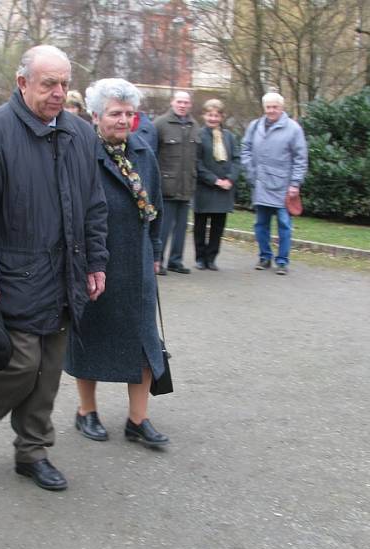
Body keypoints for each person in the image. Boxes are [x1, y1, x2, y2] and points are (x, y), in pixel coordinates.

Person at [0, 45, 109, 491]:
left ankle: (32, 451)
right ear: (22, 84)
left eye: (64, 83)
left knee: (49, 370)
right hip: (14, 273)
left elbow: (94, 206)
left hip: (66, 272)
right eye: (48, 84)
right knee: (21, 363)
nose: (59, 92)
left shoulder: (81, 134)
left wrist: (96, 261)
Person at [65, 77, 170, 448]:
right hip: (95, 264)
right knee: (89, 339)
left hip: (137, 265)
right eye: (114, 113)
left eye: (129, 113)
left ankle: (137, 420)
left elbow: (156, 209)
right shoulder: (81, 154)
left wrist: (155, 254)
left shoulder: (143, 152)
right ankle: (86, 411)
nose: (123, 120)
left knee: (144, 342)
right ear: (96, 116)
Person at [240, 91, 308, 275]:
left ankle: (282, 261)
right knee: (260, 225)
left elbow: (300, 158)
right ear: (264, 108)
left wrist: (295, 183)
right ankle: (264, 257)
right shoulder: (255, 126)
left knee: (284, 225)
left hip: (283, 187)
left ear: (281, 108)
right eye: (268, 107)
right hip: (260, 183)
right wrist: (250, 171)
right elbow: (245, 149)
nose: (271, 110)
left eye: (274, 107)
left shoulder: (293, 129)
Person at [154, 90, 199, 275]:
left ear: (190, 105)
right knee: (163, 228)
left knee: (181, 228)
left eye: (186, 102)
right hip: (166, 186)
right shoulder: (160, 124)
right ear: (172, 102)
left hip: (186, 185)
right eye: (179, 101)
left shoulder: (195, 125)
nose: (182, 105)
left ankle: (176, 261)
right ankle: (158, 261)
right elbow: (152, 154)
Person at [194, 98, 240, 271]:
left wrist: (230, 179)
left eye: (216, 115)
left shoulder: (229, 136)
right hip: (205, 188)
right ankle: (200, 258)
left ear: (222, 117)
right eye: (209, 115)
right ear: (204, 115)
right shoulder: (198, 135)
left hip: (225, 189)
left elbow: (237, 159)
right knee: (200, 226)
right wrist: (215, 180)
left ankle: (212, 258)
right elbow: (197, 163)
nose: (213, 118)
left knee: (217, 226)